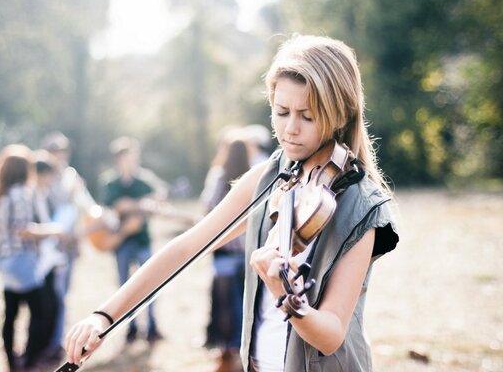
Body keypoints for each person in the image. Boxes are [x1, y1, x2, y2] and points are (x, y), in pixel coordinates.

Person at [65, 35, 399, 372]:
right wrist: (104, 315)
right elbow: (187, 247)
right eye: (281, 112)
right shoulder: (267, 177)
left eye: (307, 117)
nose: (290, 129)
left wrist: (285, 295)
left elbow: (331, 335)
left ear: (341, 114)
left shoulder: (360, 205)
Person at [0, 144, 66, 372]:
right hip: (22, 261)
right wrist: (53, 230)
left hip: (4, 260)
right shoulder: (20, 193)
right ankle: (29, 361)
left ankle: (12, 361)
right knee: (42, 311)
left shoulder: (0, 192)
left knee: (10, 313)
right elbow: (23, 229)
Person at [97, 136, 168, 344]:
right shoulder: (110, 182)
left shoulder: (145, 179)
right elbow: (116, 205)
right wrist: (139, 204)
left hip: (142, 240)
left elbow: (159, 196)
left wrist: (145, 203)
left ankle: (152, 327)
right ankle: (131, 328)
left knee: (151, 284)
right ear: (119, 159)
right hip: (121, 242)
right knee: (124, 288)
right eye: (129, 157)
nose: (133, 161)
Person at [40, 132, 99, 362]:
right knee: (49, 298)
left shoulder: (70, 174)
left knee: (62, 296)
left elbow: (84, 206)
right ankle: (48, 341)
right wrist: (70, 192)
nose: (61, 156)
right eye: (56, 151)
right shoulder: (44, 175)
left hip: (68, 245)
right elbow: (52, 203)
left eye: (63, 151)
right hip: (47, 245)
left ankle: (56, 342)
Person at [201, 138, 250, 371]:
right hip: (247, 254)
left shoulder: (219, 177)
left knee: (223, 306)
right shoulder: (252, 177)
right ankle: (243, 350)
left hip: (224, 254)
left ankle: (226, 351)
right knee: (244, 305)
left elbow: (208, 206)